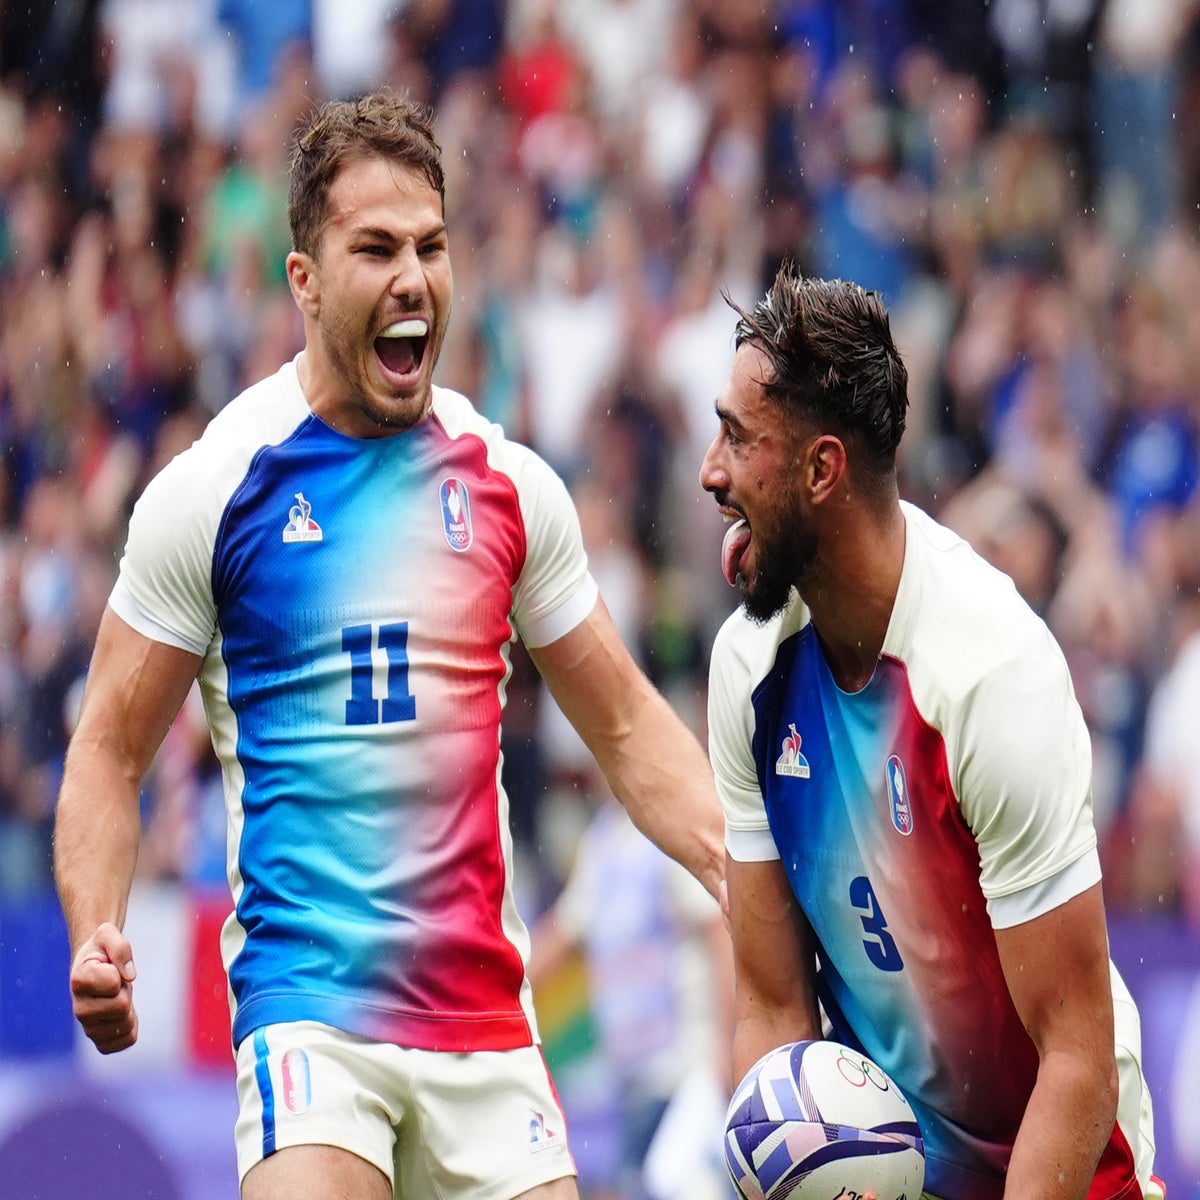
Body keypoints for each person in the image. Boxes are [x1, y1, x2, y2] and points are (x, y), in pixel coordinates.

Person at [53, 89, 724, 1200]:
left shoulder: (511, 488)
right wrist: (97, 931)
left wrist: (743, 875)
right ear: (303, 281)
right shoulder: (217, 490)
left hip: (489, 1036)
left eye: (432, 246)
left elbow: (628, 729)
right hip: (313, 1020)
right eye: (375, 249)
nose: (413, 277)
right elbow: (107, 752)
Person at [700, 264, 1162, 1200]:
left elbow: (1076, 1064)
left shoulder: (992, 674)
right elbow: (774, 1003)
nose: (711, 470)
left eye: (738, 439)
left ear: (822, 469)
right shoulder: (747, 670)